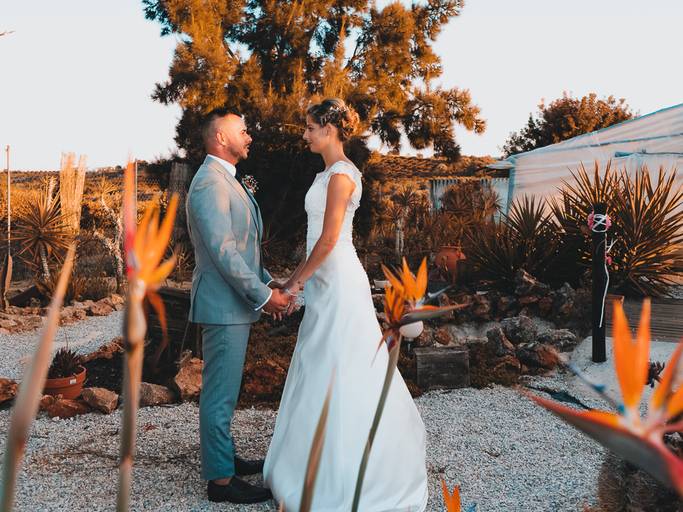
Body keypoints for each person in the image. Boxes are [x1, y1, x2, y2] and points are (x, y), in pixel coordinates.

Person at [264, 98, 429, 511]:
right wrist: (295, 281)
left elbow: (329, 239)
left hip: (337, 278)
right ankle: (308, 462)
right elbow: (316, 241)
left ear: (330, 128)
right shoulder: (324, 174)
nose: (305, 134)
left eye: (310, 127)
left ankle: (350, 469)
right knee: (320, 360)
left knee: (343, 361)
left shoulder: (341, 175)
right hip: (323, 279)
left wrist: (295, 283)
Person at [186, 108, 290, 504]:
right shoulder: (208, 184)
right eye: (242, 131)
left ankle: (224, 457)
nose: (249, 137)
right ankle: (221, 483)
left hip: (232, 303)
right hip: (222, 306)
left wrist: (269, 282)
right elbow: (224, 252)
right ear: (220, 138)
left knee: (226, 390)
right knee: (219, 394)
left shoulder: (226, 180)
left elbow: (245, 250)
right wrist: (264, 297)